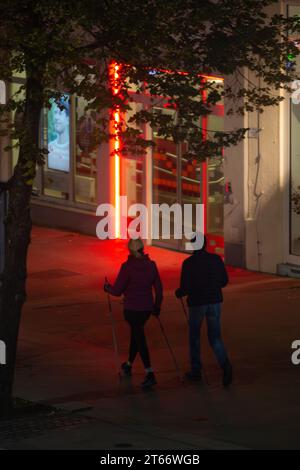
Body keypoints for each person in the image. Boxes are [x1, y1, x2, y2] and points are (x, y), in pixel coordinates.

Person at [104, 238, 163, 388]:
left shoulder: (127, 267)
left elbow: (117, 291)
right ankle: (129, 364)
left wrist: (107, 288)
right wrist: (157, 307)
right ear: (143, 249)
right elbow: (159, 289)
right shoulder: (151, 265)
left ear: (130, 251)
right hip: (146, 309)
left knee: (139, 338)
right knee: (136, 335)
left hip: (131, 309)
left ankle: (149, 372)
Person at [175, 234, 232, 387]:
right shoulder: (216, 260)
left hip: (197, 303)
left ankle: (196, 371)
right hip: (214, 301)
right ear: (205, 244)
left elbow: (185, 288)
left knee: (194, 337)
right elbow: (224, 281)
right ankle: (225, 365)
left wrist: (179, 292)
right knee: (215, 337)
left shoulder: (188, 263)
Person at [48, 99, 70, 172]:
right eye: (55, 113)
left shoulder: (71, 148)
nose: (56, 117)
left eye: (60, 113)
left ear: (68, 119)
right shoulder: (49, 147)